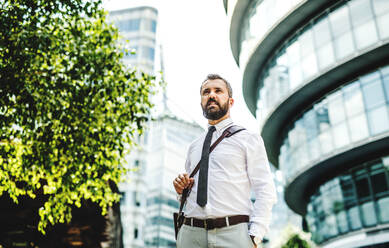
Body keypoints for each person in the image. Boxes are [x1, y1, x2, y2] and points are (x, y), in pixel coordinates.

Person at [173, 74, 277, 248]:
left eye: (218, 91)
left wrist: (254, 236)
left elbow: (265, 189)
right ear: (201, 103)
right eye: (206, 92)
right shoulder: (194, 146)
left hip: (234, 234)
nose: (211, 95)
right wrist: (180, 190)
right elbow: (192, 193)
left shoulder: (248, 138)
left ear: (230, 102)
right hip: (191, 235)